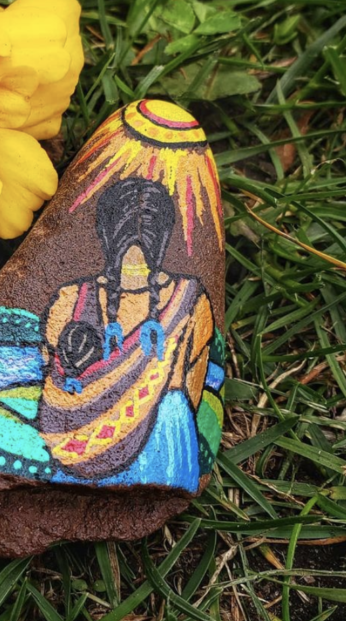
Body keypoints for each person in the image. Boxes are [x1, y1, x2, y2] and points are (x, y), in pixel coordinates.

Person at [38, 177, 215, 492]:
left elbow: (51, 378)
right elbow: (192, 391)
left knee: (173, 405)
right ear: (166, 237)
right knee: (174, 404)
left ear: (103, 234)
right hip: (147, 464)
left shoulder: (71, 299)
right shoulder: (189, 299)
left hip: (75, 450)